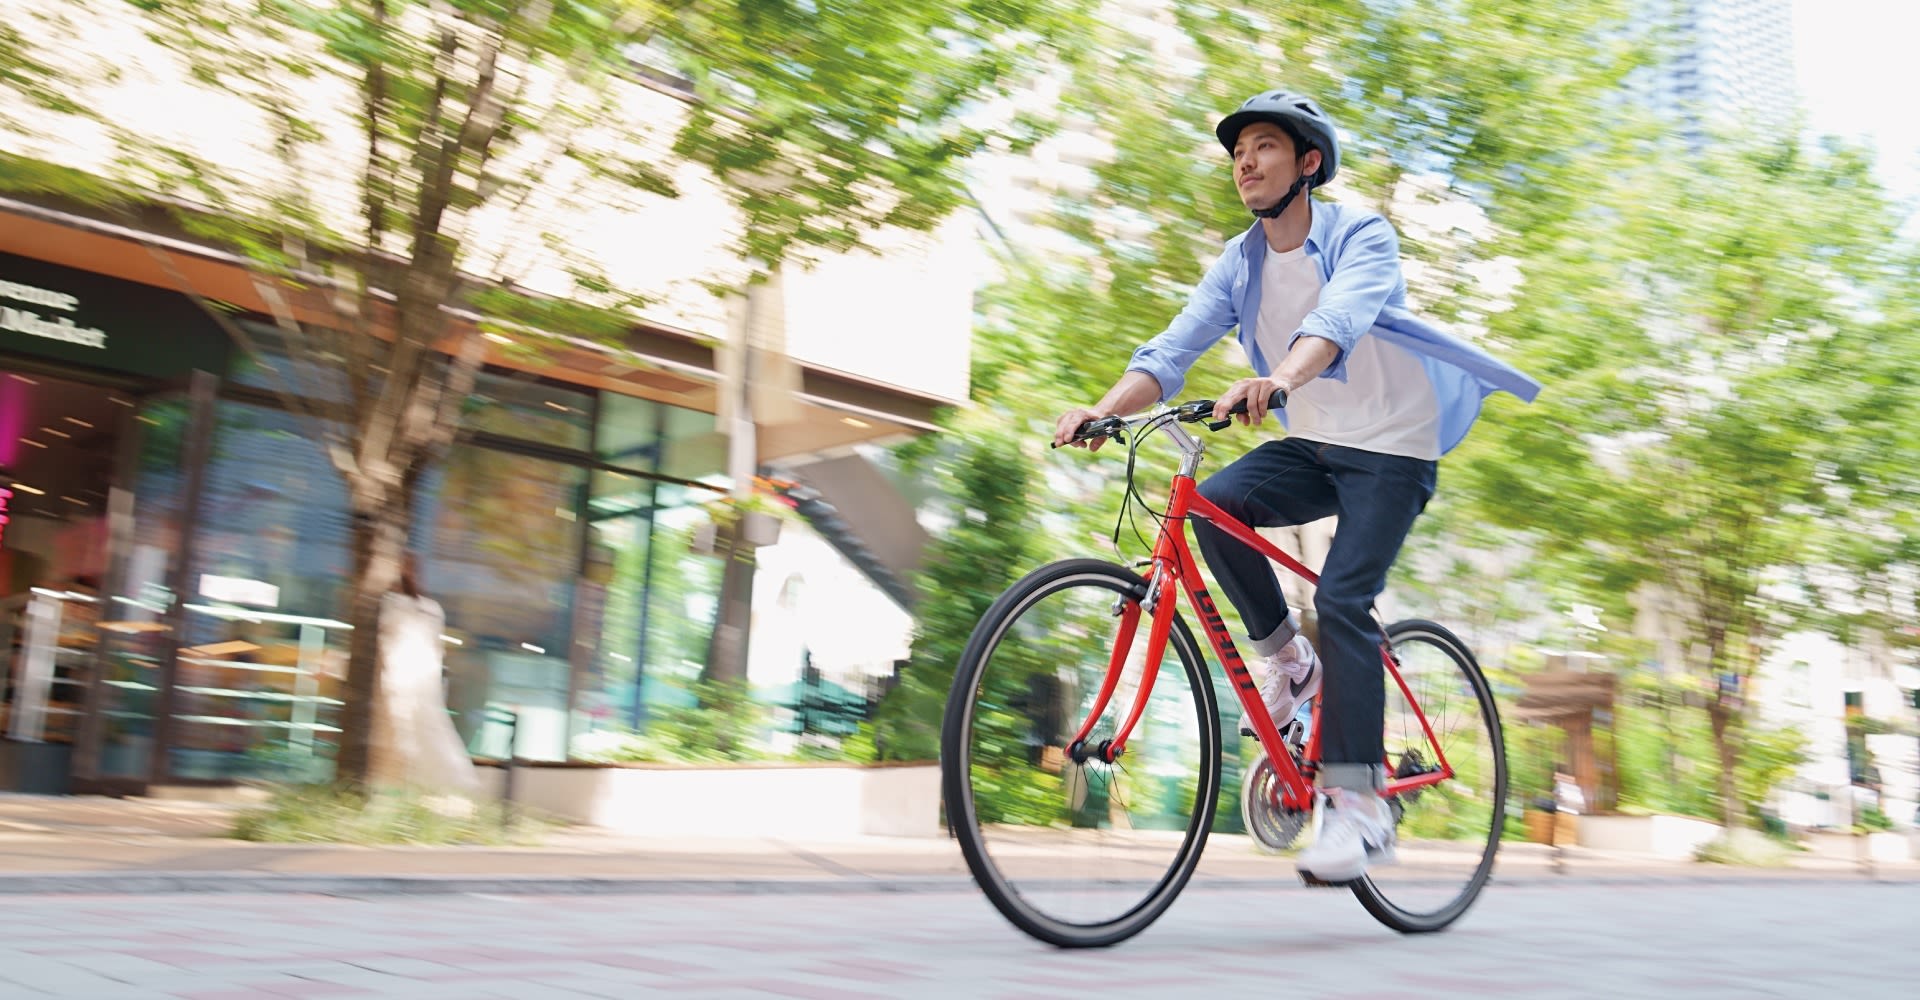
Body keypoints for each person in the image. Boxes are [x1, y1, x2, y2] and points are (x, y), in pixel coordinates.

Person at [1053, 90, 1539, 882]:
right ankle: (1290, 663)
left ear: (1308, 163)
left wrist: (1276, 379)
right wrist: (1102, 411)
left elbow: (1339, 319)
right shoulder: (1239, 261)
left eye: (1266, 146)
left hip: (1394, 446)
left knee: (1345, 601)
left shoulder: (1363, 236)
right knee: (1212, 510)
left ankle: (1359, 806)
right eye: (1238, 150)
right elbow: (1172, 348)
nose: (1245, 161)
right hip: (1316, 442)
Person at [376, 553, 480, 796]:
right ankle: (438, 788)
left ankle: (406, 787)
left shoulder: (391, 604)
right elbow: (436, 649)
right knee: (426, 732)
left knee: (405, 732)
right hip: (420, 681)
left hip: (400, 678)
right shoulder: (429, 609)